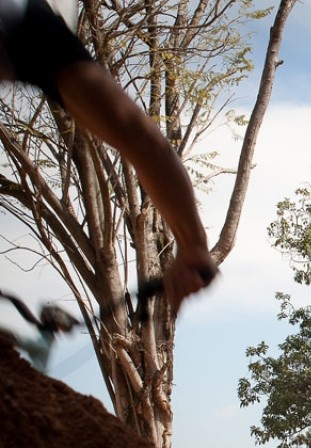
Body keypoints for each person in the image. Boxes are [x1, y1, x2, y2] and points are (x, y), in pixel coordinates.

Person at [0, 0, 216, 313]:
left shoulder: (29, 32)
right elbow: (144, 143)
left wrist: (193, 247)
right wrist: (193, 247)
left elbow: (141, 140)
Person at [0, 288, 79, 372]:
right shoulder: (44, 339)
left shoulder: (42, 345)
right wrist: (9, 297)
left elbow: (21, 339)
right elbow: (27, 314)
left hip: (34, 375)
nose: (43, 318)